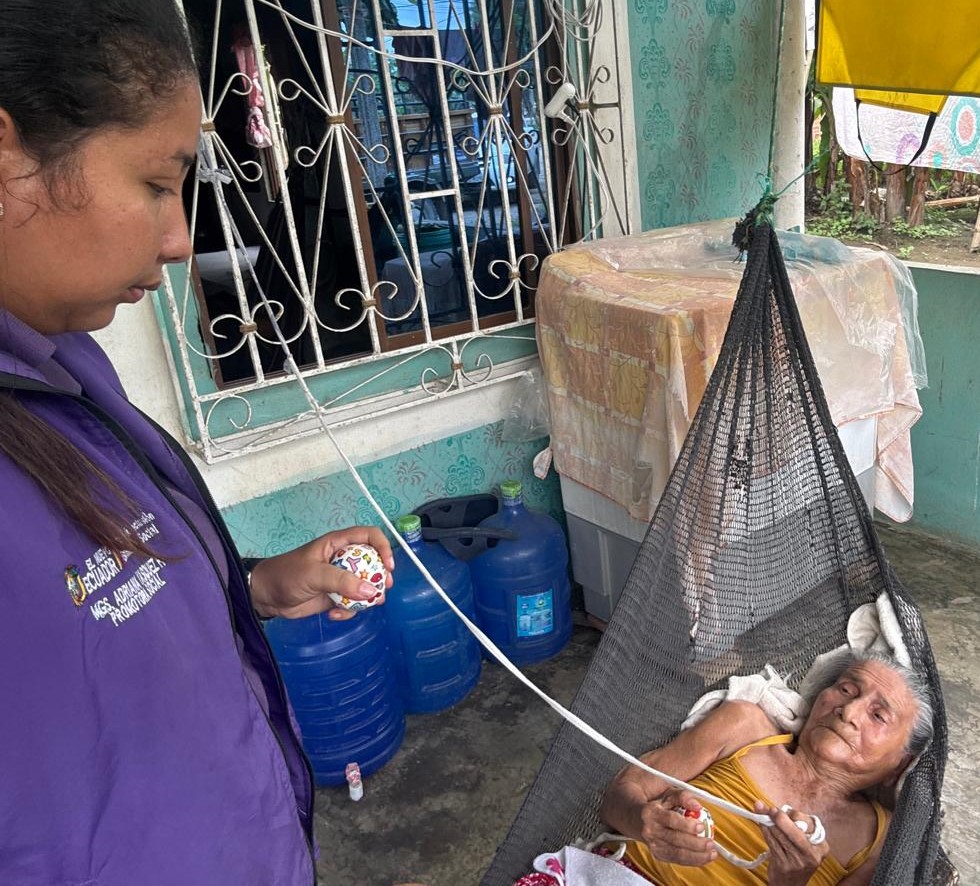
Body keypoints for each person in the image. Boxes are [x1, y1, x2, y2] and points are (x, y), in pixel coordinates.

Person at [0, 2, 394, 883]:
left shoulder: (63, 363)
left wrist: (250, 586)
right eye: (157, 184)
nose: (181, 241)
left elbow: (99, 626)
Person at [515, 650, 933, 886]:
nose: (849, 711)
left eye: (879, 715)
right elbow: (619, 796)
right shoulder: (745, 727)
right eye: (845, 689)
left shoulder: (880, 839)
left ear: (899, 764)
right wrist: (644, 821)